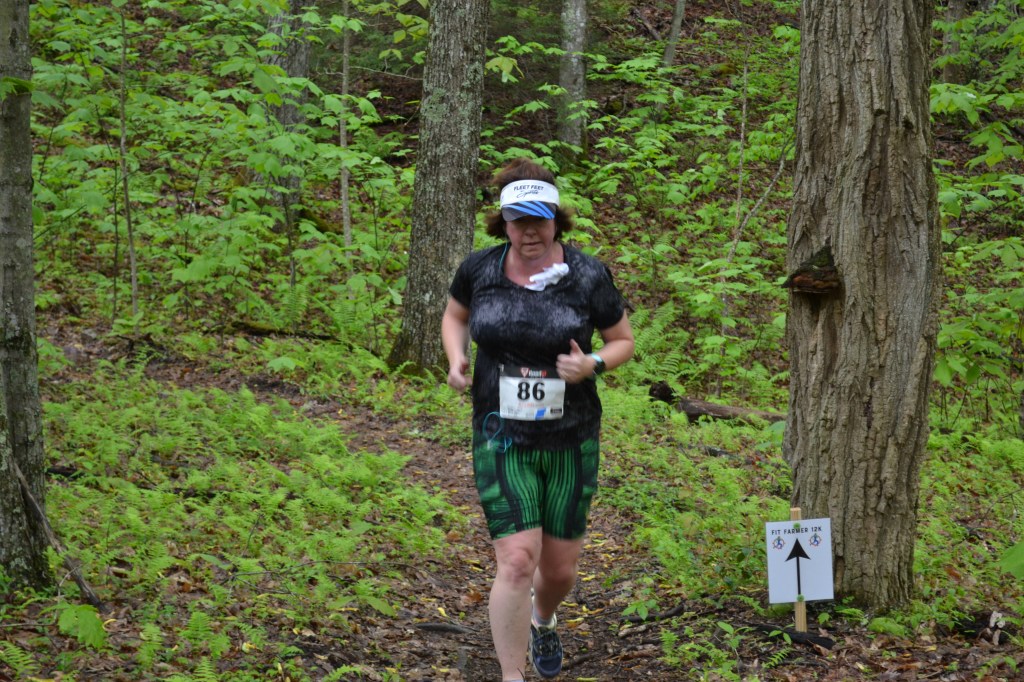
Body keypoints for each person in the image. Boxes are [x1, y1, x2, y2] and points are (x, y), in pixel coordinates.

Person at [441, 158, 635, 680]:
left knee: (559, 569)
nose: (530, 232)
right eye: (518, 221)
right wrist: (456, 357)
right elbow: (455, 315)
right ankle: (512, 675)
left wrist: (592, 364)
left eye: (539, 220)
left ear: (556, 220)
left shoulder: (588, 274)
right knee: (517, 560)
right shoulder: (480, 269)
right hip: (500, 433)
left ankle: (543, 619)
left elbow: (622, 341)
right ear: (503, 222)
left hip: (571, 436)